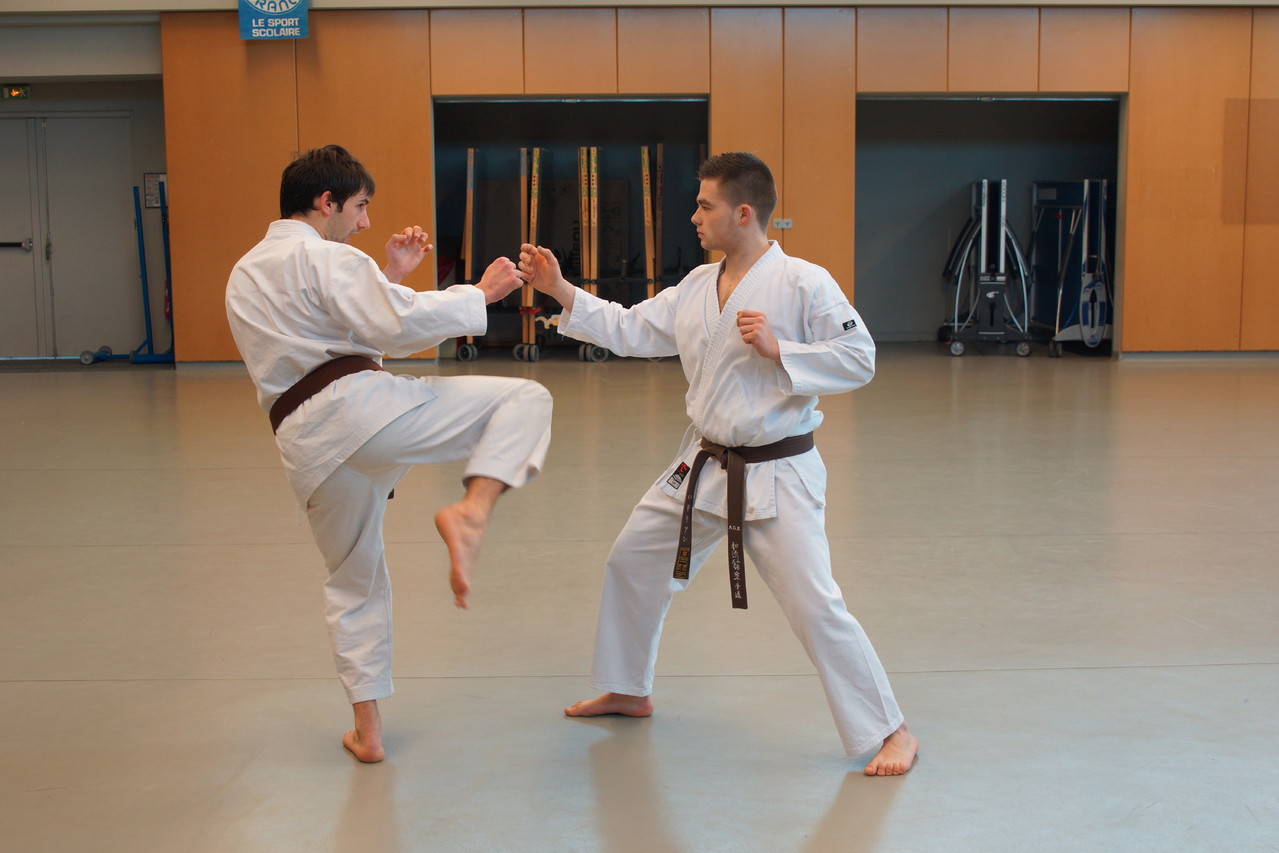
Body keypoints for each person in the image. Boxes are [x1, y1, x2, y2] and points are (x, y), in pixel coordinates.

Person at [519, 152, 917, 775]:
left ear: (744, 212)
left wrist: (781, 349)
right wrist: (560, 291)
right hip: (703, 464)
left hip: (778, 472)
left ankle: (893, 730)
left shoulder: (804, 282)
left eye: (705, 206)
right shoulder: (697, 286)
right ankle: (628, 689)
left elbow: (859, 357)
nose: (695, 216)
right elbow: (630, 329)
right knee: (634, 560)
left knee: (814, 604)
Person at [226, 145, 553, 763]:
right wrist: (480, 293)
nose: (365, 222)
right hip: (363, 413)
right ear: (326, 201)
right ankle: (472, 511)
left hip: (309, 446)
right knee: (524, 400)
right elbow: (391, 330)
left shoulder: (245, 273)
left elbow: (341, 331)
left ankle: (367, 730)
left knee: (354, 581)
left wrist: (391, 277)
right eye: (359, 207)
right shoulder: (326, 256)